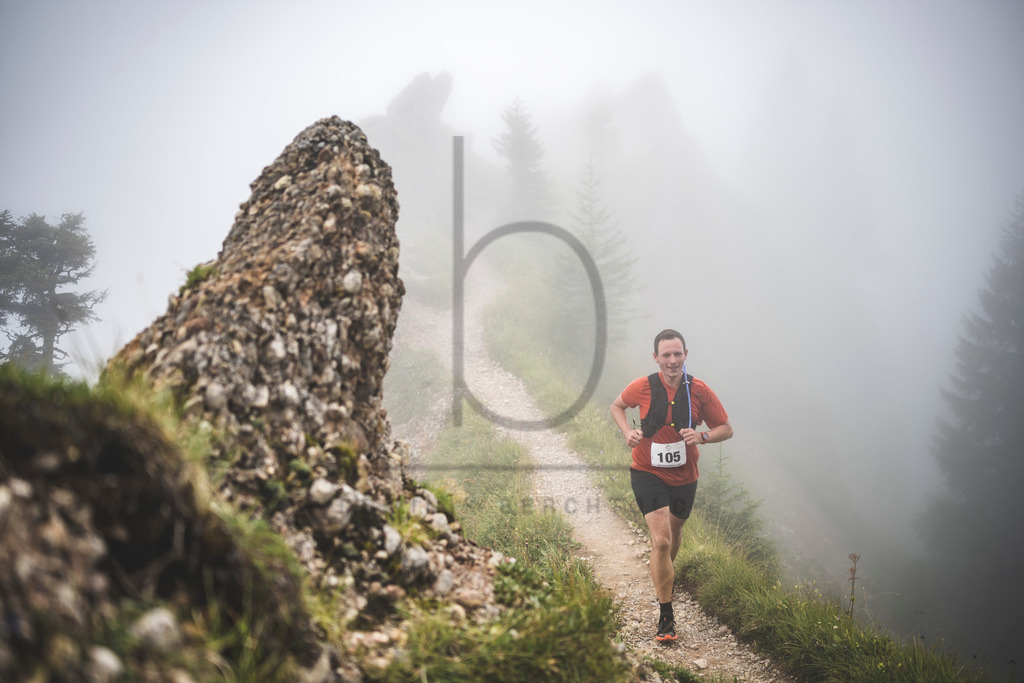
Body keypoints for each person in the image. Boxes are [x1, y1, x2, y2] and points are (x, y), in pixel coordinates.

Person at [610, 328, 733, 643]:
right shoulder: (642, 387)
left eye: (677, 353)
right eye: (666, 354)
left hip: (685, 477)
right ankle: (666, 616)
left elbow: (726, 429)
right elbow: (617, 406)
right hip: (646, 471)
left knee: (674, 535)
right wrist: (627, 432)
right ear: (656, 358)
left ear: (686, 355)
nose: (672, 360)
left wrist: (702, 436)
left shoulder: (699, 391)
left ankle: (660, 568)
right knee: (662, 540)